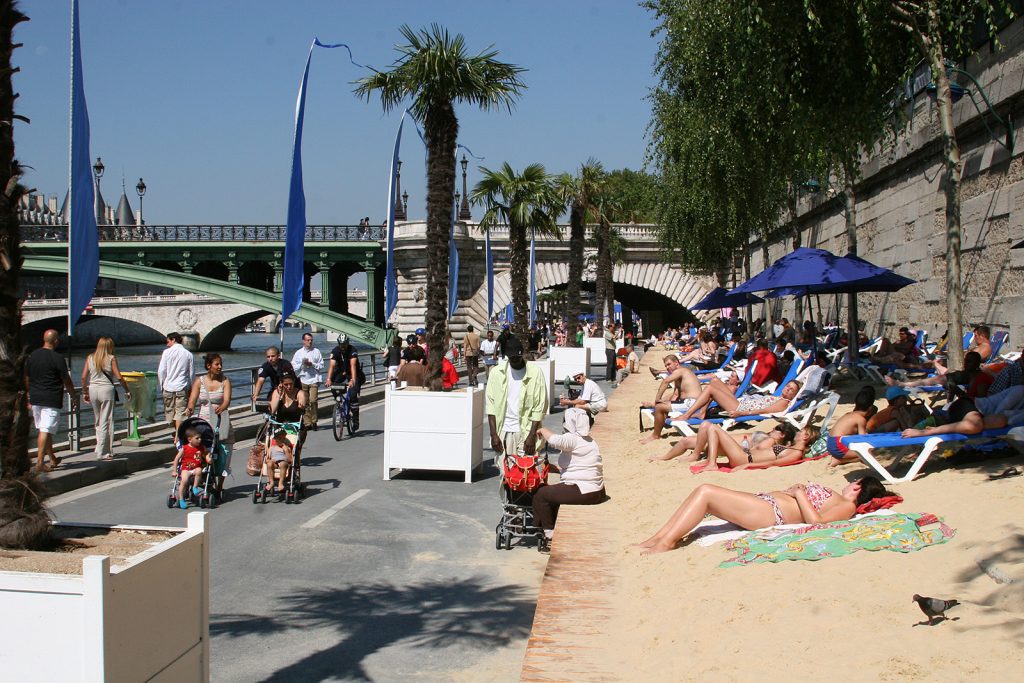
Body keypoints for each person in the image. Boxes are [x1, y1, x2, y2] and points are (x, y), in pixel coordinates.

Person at [634, 476, 894, 555]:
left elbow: (817, 524)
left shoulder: (847, 506)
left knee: (706, 492)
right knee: (701, 494)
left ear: (858, 487)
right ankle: (658, 538)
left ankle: (666, 543)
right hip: (766, 504)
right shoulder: (838, 498)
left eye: (853, 482)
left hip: (771, 514)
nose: (847, 484)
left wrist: (800, 492)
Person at [533, 407, 606, 543]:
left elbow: (554, 441)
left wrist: (542, 429)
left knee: (541, 493)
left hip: (583, 490)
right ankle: (545, 527)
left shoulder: (573, 438)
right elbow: (581, 467)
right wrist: (558, 470)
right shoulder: (589, 440)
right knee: (551, 493)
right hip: (595, 490)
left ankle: (548, 534)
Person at [25, 329, 79, 471]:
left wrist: (28, 394)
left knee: (44, 429)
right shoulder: (57, 358)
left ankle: (53, 458)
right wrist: (73, 395)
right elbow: (66, 379)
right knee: (45, 429)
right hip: (51, 398)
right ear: (55, 341)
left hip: (35, 398)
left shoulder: (32, 356)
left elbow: (27, 378)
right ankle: (40, 463)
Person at [486, 336, 547, 459]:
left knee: (525, 474)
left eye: (518, 357)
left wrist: (531, 435)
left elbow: (539, 406)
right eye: (512, 358)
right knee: (505, 474)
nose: (515, 361)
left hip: (526, 431)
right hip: (503, 431)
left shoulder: (535, 372)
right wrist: (493, 435)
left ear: (523, 354)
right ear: (507, 356)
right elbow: (491, 406)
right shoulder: (496, 373)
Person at [80, 336, 131, 461]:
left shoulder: (90, 358)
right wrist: (127, 390)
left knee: (98, 420)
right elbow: (119, 377)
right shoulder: (111, 358)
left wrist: (84, 391)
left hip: (93, 389)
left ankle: (99, 447)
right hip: (106, 390)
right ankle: (103, 452)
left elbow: (83, 377)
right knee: (106, 420)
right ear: (109, 347)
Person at [691, 423, 817, 472]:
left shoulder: (796, 453)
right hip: (744, 454)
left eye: (801, 431)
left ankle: (711, 462)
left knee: (713, 428)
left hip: (745, 459)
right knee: (708, 427)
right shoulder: (792, 449)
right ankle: (710, 460)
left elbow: (774, 463)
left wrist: (748, 465)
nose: (798, 433)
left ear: (805, 437)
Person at [186, 353, 233, 474]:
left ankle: (220, 482)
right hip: (204, 421)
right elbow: (192, 400)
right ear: (208, 366)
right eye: (217, 364)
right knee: (203, 448)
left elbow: (227, 400)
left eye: (221, 364)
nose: (220, 367)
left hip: (220, 419)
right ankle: (202, 473)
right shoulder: (199, 381)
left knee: (224, 450)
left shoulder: (225, 381)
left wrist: (222, 407)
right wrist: (190, 409)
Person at [650, 424, 794, 463]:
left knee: (688, 439)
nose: (773, 429)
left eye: (777, 429)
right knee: (687, 439)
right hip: (722, 442)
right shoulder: (769, 438)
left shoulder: (771, 441)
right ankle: (667, 456)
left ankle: (693, 455)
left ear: (782, 435)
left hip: (724, 446)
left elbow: (756, 451)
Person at [639, 355, 702, 443]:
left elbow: (666, 381)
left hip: (692, 403)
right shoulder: (679, 374)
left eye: (669, 364)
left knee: (660, 407)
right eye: (666, 366)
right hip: (689, 402)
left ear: (676, 363)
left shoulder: (681, 370)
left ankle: (655, 436)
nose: (667, 367)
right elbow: (675, 395)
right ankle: (660, 425)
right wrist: (656, 404)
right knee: (661, 407)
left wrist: (658, 399)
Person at [678, 378, 801, 421]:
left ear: (794, 395)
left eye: (791, 390)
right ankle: (702, 413)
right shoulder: (779, 397)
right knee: (714, 381)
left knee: (710, 389)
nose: (787, 389)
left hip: (740, 408)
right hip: (742, 402)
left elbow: (764, 411)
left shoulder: (784, 403)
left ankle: (687, 415)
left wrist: (740, 413)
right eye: (788, 386)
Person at [157, 331, 194, 444]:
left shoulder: (166, 353)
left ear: (173, 340)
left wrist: (162, 385)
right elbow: (191, 373)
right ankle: (178, 432)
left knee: (170, 412)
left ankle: (177, 434)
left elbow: (161, 370)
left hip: (168, 386)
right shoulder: (188, 354)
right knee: (180, 412)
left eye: (168, 341)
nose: (167, 343)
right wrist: (191, 387)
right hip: (182, 386)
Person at [826, 386, 876, 465]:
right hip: (838, 447)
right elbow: (863, 439)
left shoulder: (849, 414)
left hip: (830, 443)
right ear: (870, 408)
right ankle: (840, 460)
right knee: (868, 451)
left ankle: (841, 458)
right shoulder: (860, 419)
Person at [325, 334, 364, 431]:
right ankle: (339, 402)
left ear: (348, 343)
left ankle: (355, 420)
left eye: (344, 344)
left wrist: (353, 380)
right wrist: (328, 379)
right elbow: (332, 366)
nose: (343, 347)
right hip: (342, 372)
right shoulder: (335, 351)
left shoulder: (353, 350)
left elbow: (353, 365)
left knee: (353, 395)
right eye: (341, 344)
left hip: (354, 373)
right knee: (334, 384)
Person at [291, 332, 324, 430]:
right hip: (303, 379)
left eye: (311, 340)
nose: (310, 342)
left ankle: (314, 421)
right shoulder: (299, 353)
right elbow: (293, 366)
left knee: (313, 401)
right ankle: (307, 423)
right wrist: (302, 364)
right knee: (304, 402)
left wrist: (312, 364)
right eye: (308, 340)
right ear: (303, 341)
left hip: (314, 379)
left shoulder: (316, 351)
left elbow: (321, 365)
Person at [172, 427, 210, 510]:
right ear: (189, 439)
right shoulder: (184, 448)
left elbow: (206, 454)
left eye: (200, 438)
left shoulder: (201, 448)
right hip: (186, 468)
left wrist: (208, 457)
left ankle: (195, 487)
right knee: (184, 480)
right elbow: (176, 459)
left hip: (196, 467)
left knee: (199, 470)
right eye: (197, 438)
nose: (200, 440)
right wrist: (174, 471)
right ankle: (181, 499)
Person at [264, 429, 294, 496]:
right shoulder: (272, 448)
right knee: (269, 464)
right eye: (279, 438)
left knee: (283, 464)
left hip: (284, 462)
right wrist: (270, 461)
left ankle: (280, 483)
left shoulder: (286, 447)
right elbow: (267, 459)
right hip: (275, 463)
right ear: (275, 439)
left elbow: (290, 460)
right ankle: (271, 482)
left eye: (283, 438)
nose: (281, 440)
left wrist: (286, 450)